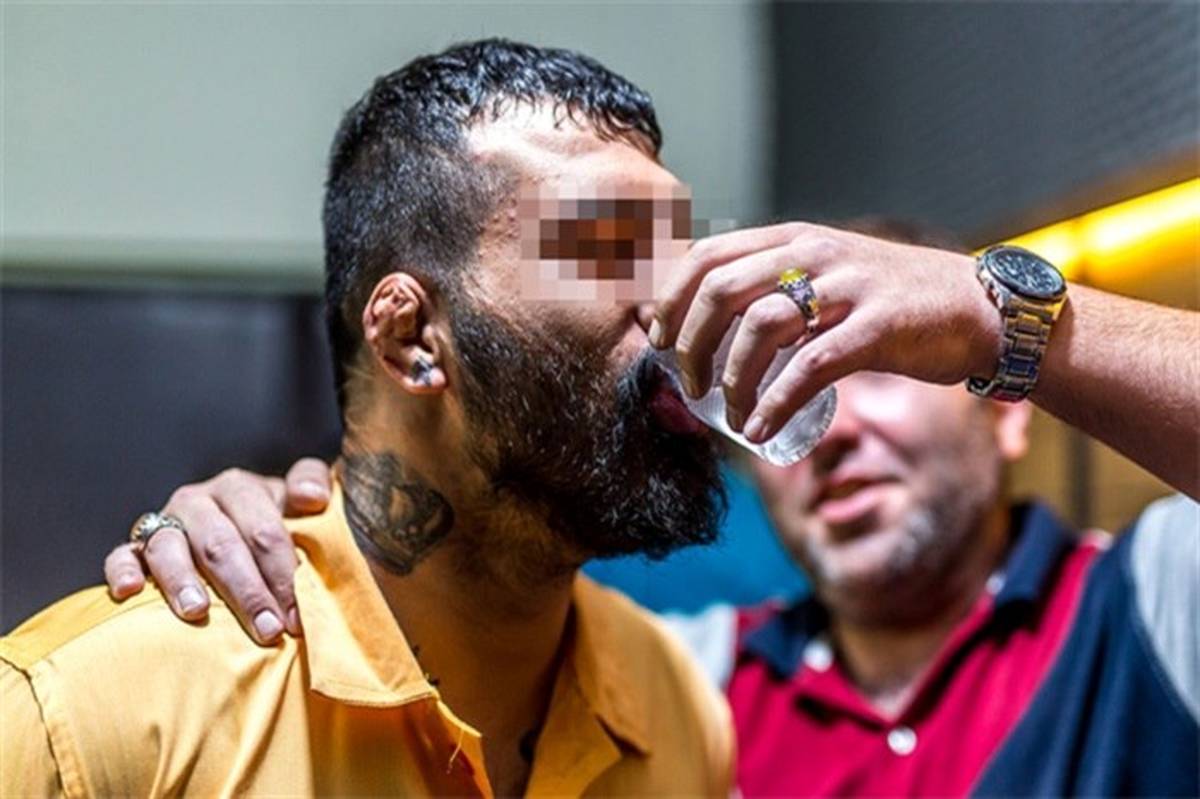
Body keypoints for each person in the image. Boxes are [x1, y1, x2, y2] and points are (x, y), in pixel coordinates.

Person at [103, 215, 1199, 796]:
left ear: (1006, 414)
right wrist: (284, 527)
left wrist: (993, 315)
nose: (831, 430)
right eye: (791, 392)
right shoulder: (691, 684)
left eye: (884, 374)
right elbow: (451, 615)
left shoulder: (1158, 607)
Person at [0, 39, 737, 797]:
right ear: (410, 338)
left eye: (676, 257)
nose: (682, 311)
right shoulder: (88, 715)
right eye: (613, 253)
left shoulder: (676, 705)